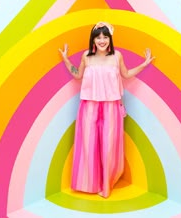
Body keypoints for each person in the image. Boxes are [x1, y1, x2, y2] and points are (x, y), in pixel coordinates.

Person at [59, 21, 155, 198]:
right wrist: (66, 59)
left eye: (105, 37)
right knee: (88, 143)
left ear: (110, 39)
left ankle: (106, 185)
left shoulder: (116, 56)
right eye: (98, 37)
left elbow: (125, 74)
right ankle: (89, 183)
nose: (101, 40)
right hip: (89, 105)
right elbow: (78, 75)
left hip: (111, 105)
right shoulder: (86, 56)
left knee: (109, 145)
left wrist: (144, 64)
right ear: (93, 40)